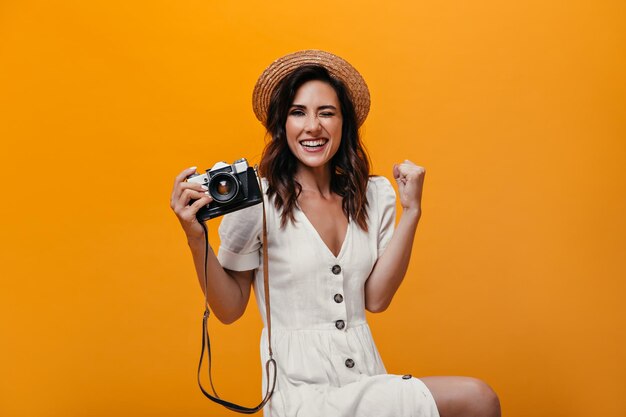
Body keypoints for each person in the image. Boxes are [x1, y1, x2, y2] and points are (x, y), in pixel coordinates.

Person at [170, 50, 501, 417]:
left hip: (365, 376)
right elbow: (229, 309)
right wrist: (195, 237)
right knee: (478, 399)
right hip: (300, 392)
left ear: (345, 124)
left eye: (326, 112)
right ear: (282, 125)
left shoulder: (374, 196)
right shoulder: (256, 201)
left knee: (479, 401)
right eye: (298, 113)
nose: (313, 126)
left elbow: (375, 299)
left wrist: (413, 212)